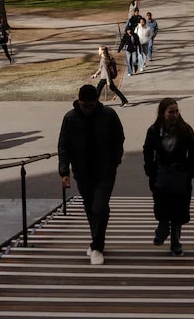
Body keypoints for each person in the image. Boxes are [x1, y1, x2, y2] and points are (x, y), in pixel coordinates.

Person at [58, 84, 125, 266]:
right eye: (85, 105)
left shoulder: (108, 115)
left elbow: (119, 137)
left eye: (92, 105)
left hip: (105, 170)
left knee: (99, 206)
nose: (88, 109)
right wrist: (64, 172)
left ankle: (97, 247)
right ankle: (95, 240)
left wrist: (115, 160)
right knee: (90, 207)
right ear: (79, 102)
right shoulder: (70, 118)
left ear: (97, 102)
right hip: (82, 171)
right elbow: (63, 146)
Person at [143, 98, 194, 257]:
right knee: (162, 207)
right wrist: (150, 170)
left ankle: (175, 243)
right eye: (171, 112)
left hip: (180, 176)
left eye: (177, 111)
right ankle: (162, 229)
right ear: (162, 113)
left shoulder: (186, 130)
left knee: (178, 211)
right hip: (161, 176)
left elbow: (193, 152)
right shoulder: (154, 130)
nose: (175, 114)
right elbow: (148, 151)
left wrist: (190, 171)